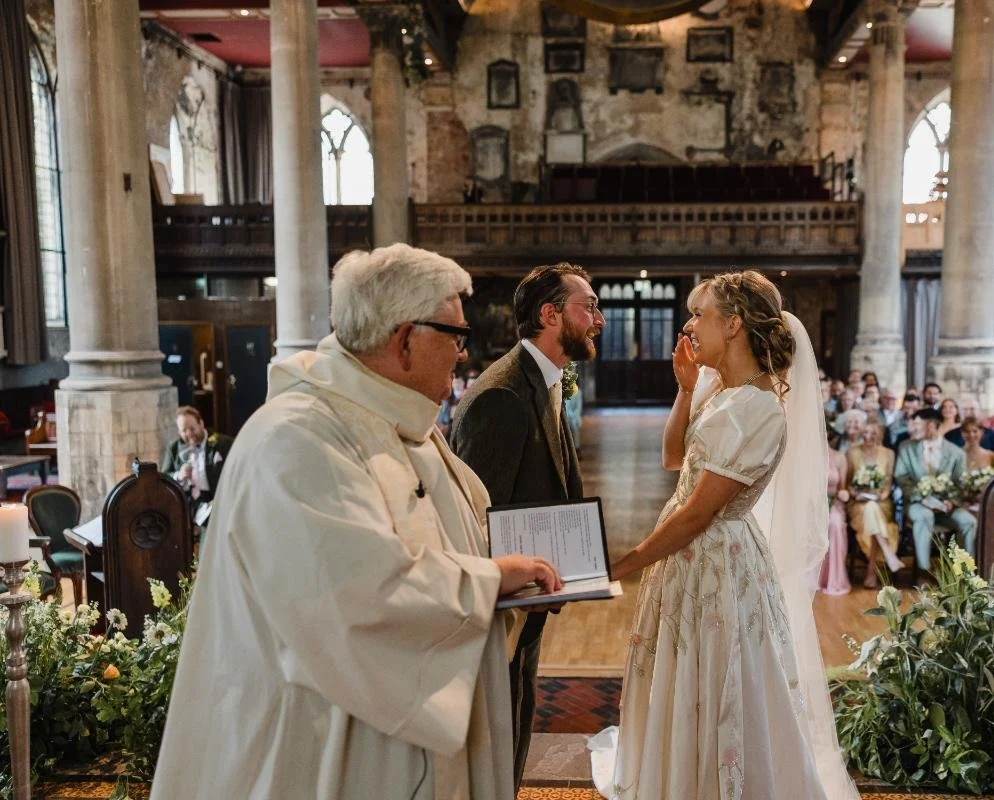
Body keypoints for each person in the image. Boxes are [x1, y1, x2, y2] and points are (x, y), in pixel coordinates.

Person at [152, 243, 562, 799]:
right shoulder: (296, 439)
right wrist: (490, 580)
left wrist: (505, 577)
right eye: (455, 336)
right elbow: (356, 599)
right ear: (405, 339)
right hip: (330, 754)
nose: (463, 355)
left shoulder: (400, 422)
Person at [593, 270, 857, 800]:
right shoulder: (720, 391)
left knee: (715, 680)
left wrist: (619, 564)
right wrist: (685, 390)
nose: (689, 325)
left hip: (716, 559)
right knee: (679, 670)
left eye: (699, 315)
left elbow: (697, 516)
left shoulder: (760, 408)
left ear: (733, 324)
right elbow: (674, 457)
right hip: (685, 556)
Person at [452, 262, 602, 789]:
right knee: (498, 736)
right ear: (550, 314)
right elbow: (476, 519)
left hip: (530, 596)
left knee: (516, 724)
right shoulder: (502, 395)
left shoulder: (544, 379)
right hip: (502, 608)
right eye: (589, 306)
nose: (599, 319)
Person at [895, 408, 976, 577]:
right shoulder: (906, 448)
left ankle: (965, 572)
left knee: (969, 522)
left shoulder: (957, 453)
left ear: (931, 425)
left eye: (917, 424)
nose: (912, 428)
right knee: (925, 516)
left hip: (947, 507)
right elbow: (902, 478)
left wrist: (952, 502)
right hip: (918, 505)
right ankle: (924, 573)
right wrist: (921, 497)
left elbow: (960, 483)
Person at [846, 420, 903, 588]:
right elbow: (848, 482)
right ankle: (881, 561)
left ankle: (872, 571)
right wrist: (856, 494)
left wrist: (881, 496)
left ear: (879, 435)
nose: (867, 436)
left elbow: (888, 483)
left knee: (873, 510)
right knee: (870, 510)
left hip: (881, 503)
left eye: (872, 433)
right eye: (865, 432)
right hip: (859, 503)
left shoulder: (888, 454)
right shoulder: (852, 452)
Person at [160, 406, 233, 503]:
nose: (189, 433)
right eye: (184, 430)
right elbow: (163, 477)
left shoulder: (222, 443)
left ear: (201, 424)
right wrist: (179, 475)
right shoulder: (173, 449)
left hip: (215, 500)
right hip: (187, 505)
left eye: (192, 428)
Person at [820, 433, 851, 596]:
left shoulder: (840, 458)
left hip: (833, 503)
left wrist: (844, 493)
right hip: (814, 505)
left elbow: (842, 488)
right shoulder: (809, 456)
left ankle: (834, 578)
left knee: (835, 523)